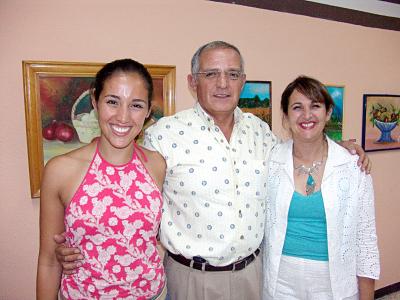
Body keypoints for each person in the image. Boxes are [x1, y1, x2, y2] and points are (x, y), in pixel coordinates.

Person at [54, 42, 370, 300]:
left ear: (243, 82)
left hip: (253, 275)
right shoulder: (163, 135)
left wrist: (338, 145)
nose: (223, 83)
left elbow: (297, 154)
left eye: (233, 74)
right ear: (193, 82)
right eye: (211, 74)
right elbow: (122, 190)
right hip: (190, 279)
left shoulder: (261, 133)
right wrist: (79, 244)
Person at [36, 59, 167, 299]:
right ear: (95, 101)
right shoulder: (61, 170)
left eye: (136, 105)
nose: (123, 117)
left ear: (148, 111)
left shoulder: (157, 164)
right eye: (112, 102)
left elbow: (152, 234)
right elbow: (48, 261)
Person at [262, 76, 380, 300]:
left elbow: (366, 241)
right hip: (280, 279)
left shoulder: (353, 167)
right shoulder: (270, 161)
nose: (307, 115)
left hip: (335, 282)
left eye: (315, 106)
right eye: (297, 107)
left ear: (327, 113)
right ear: (286, 117)